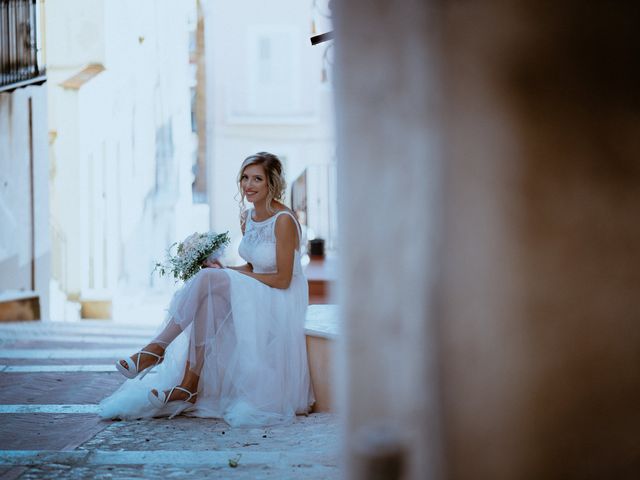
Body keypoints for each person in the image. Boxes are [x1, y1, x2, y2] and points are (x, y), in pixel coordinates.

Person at [100, 152, 315, 426]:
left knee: (209, 282)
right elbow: (252, 268)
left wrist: (229, 278)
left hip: (280, 300)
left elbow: (283, 279)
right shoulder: (248, 217)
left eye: (257, 179)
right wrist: (224, 271)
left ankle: (159, 350)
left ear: (272, 183)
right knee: (209, 286)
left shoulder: (284, 220)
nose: (249, 185)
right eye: (245, 178)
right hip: (259, 291)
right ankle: (187, 383)